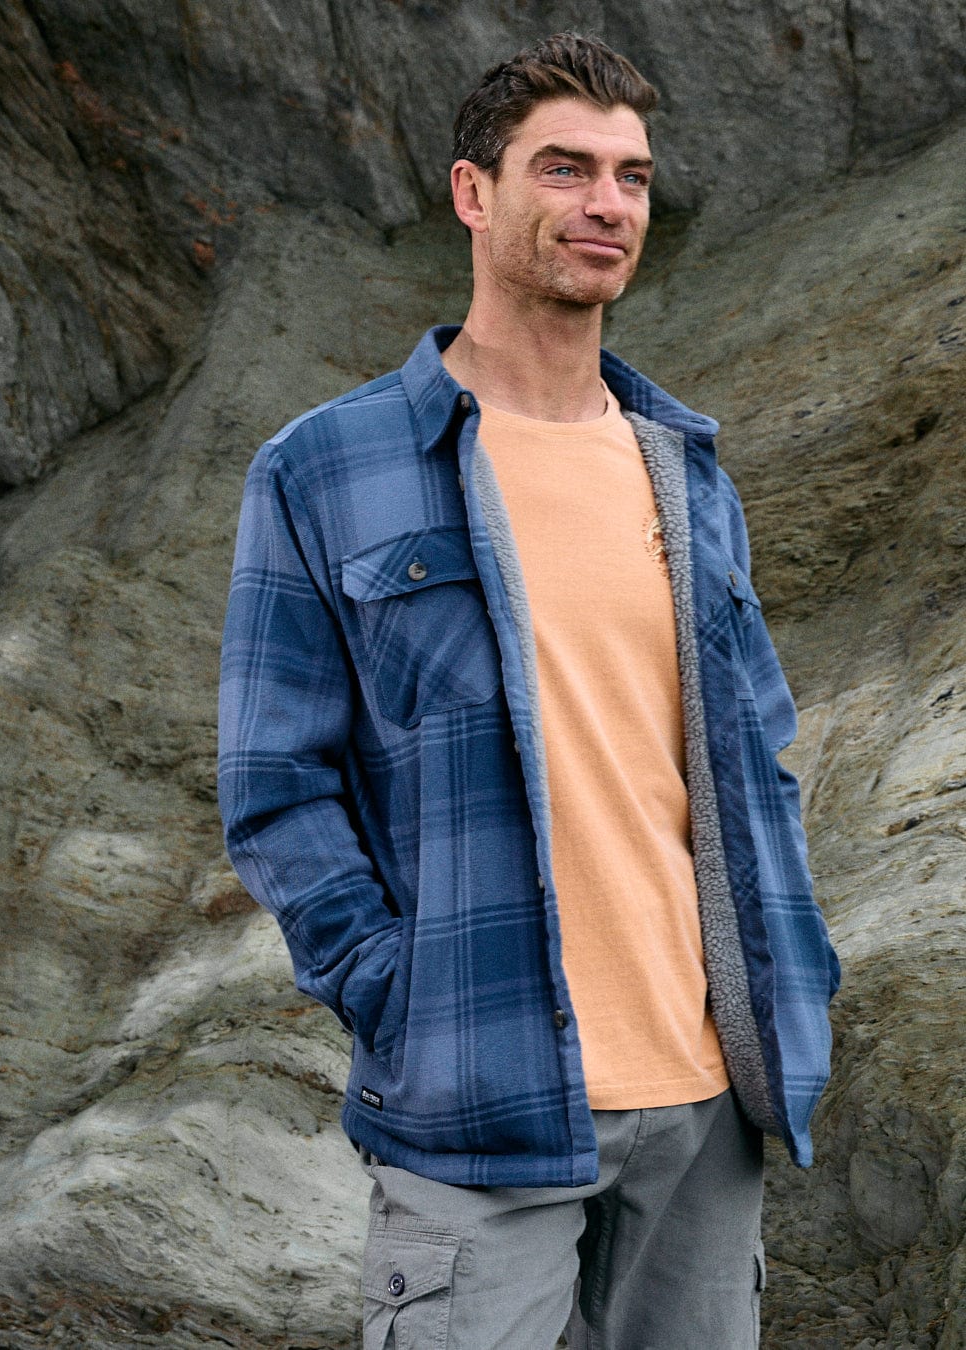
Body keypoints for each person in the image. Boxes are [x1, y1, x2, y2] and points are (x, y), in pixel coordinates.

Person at [218, 32, 839, 1349]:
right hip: (476, 1101)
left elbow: (758, 760)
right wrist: (397, 991)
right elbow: (274, 784)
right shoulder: (324, 469)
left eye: (631, 176)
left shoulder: (687, 473)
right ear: (473, 191)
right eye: (564, 169)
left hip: (705, 1104)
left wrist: (795, 981)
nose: (607, 204)